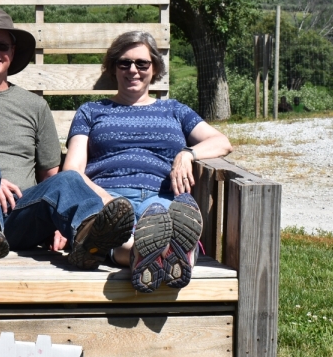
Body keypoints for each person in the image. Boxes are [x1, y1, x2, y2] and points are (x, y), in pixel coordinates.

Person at [0, 9, 135, 270]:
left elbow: (50, 176)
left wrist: (60, 222)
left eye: (1, 46)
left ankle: (87, 237)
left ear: (12, 52)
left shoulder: (35, 106)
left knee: (69, 179)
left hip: (18, 217)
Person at [63, 30, 233, 292]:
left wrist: (187, 153)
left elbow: (221, 142)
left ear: (154, 68)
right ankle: (164, 255)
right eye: (124, 63)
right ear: (113, 68)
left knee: (161, 221)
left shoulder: (174, 110)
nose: (133, 70)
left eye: (142, 63)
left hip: (161, 196)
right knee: (116, 232)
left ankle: (158, 251)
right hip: (109, 198)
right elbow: (72, 170)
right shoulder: (91, 111)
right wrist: (105, 198)